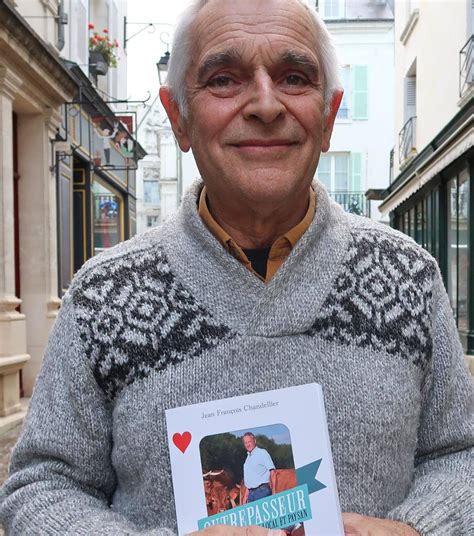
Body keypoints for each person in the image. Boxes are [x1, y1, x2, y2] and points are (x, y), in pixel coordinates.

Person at [0, 1, 472, 535]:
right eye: (224, 80)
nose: (266, 105)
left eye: (294, 78)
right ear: (178, 117)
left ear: (329, 116)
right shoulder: (104, 297)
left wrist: (421, 529)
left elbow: (462, 455)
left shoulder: (409, 277)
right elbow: (41, 487)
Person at [241, 433, 276, 504]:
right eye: (245, 443)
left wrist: (274, 491)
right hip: (251, 494)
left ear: (254, 441)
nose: (248, 444)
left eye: (249, 442)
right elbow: (250, 480)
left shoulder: (262, 453)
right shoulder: (248, 458)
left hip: (262, 492)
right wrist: (246, 496)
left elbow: (273, 471)